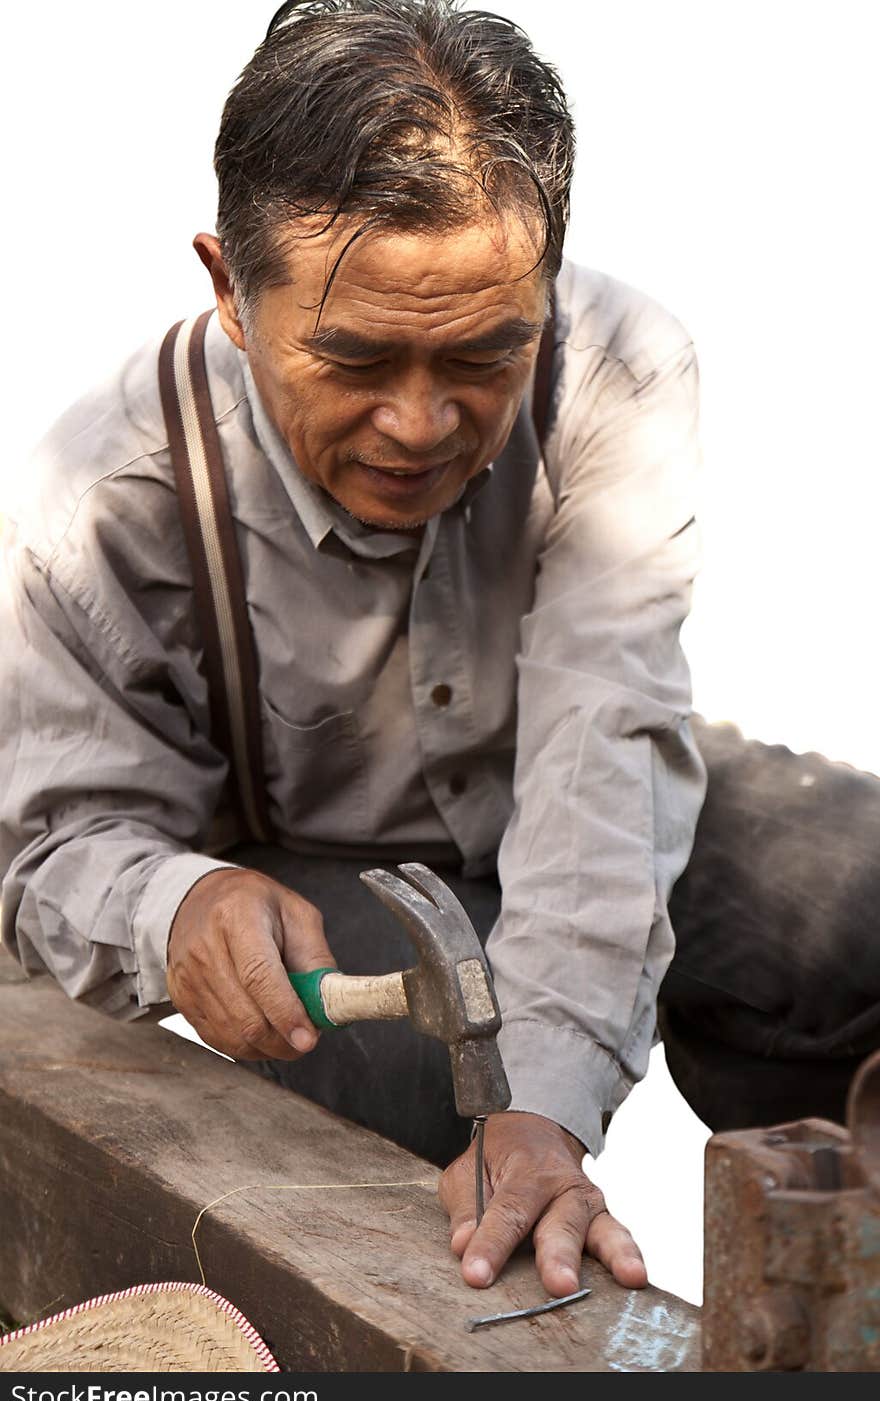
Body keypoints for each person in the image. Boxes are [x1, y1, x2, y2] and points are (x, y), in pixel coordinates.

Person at [5, 0, 876, 1302]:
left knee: (854, 902)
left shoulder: (617, 367)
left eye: (484, 352)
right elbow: (50, 844)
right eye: (355, 360)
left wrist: (544, 1103)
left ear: (548, 282)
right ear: (231, 293)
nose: (420, 422)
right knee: (404, 1096)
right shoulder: (110, 488)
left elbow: (604, 747)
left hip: (574, 794)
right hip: (334, 884)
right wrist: (171, 903)